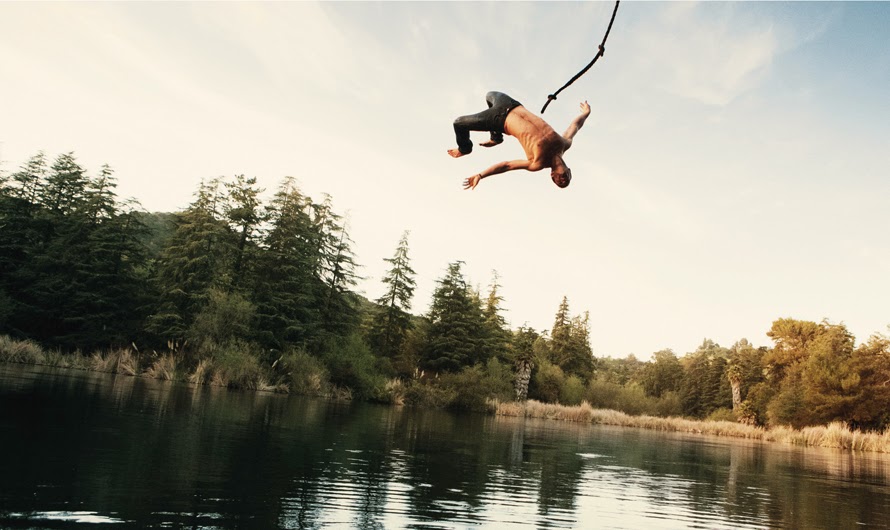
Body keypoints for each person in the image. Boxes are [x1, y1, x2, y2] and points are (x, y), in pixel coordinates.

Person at [448, 91, 590, 190]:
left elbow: (507, 166)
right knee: (489, 95)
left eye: (559, 182)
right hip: (512, 104)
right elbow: (575, 126)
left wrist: (481, 175)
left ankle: (464, 148)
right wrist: (585, 113)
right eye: (566, 180)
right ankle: (496, 138)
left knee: (459, 123)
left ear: (552, 175)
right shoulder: (564, 144)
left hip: (499, 120)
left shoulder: (537, 163)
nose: (563, 181)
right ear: (569, 171)